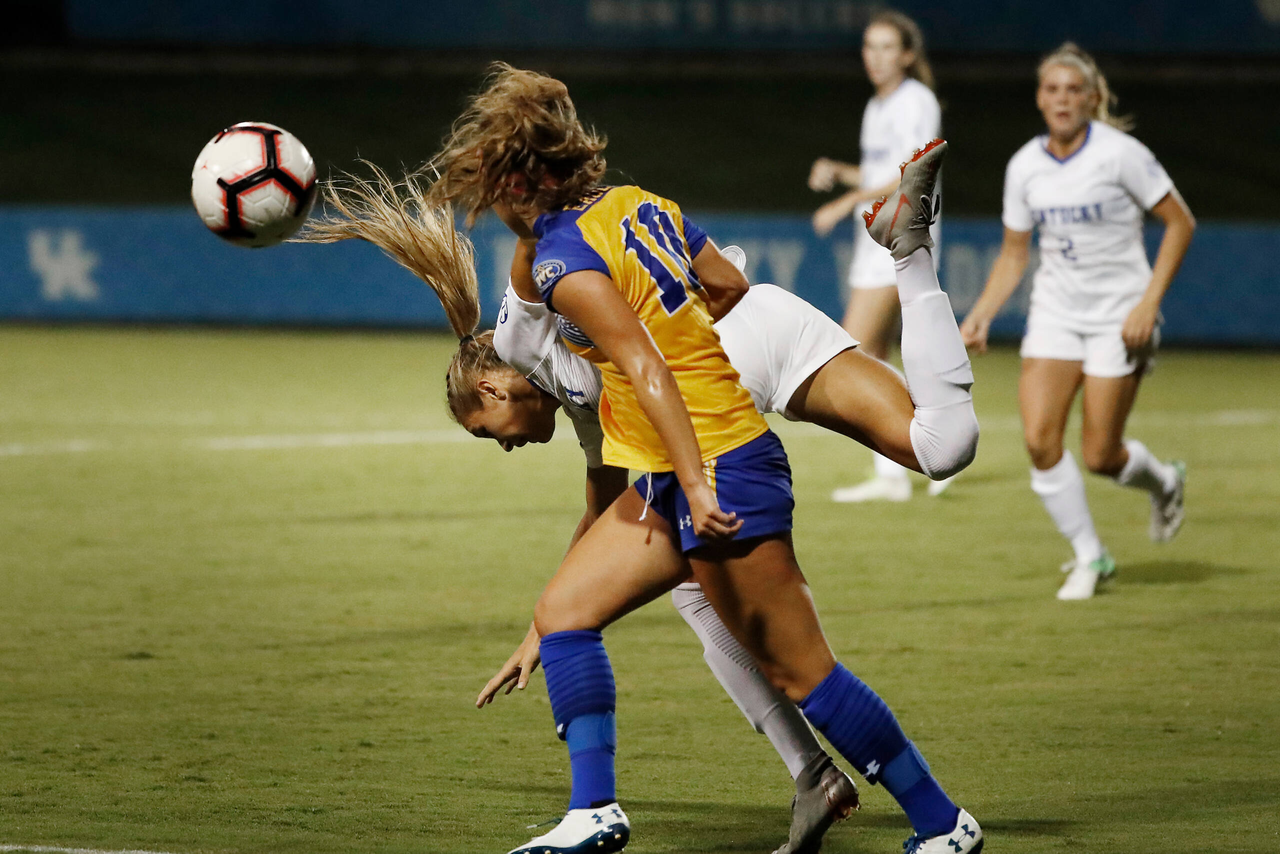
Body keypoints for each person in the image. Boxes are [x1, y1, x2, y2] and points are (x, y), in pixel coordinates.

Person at [304, 66, 983, 854]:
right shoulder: (639, 208)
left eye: (488, 429)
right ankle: (596, 810)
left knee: (801, 669)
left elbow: (648, 369)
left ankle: (940, 821)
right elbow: (727, 287)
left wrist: (692, 466)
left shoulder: (550, 271)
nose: (506, 445)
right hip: (717, 384)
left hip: (714, 443)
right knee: (566, 613)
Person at [959, 43, 1194, 601]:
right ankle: (1091, 555)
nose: (1062, 99)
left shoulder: (1121, 154)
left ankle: (1164, 482)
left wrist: (1146, 304)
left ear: (1092, 98)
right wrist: (982, 314)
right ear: (1040, 99)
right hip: (1056, 314)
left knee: (1099, 455)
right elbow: (1016, 254)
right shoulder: (1024, 166)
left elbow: (1180, 224)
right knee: (1040, 441)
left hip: (1120, 315)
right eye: (1052, 90)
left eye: (1073, 90)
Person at [809, 10, 945, 503]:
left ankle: (928, 448)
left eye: (888, 47)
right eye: (870, 47)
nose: (877, 57)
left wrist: (846, 200)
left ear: (908, 54)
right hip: (876, 240)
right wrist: (842, 173)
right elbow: (878, 171)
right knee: (876, 355)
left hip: (902, 237)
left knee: (857, 351)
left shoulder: (917, 101)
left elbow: (911, 171)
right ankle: (910, 461)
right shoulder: (878, 105)